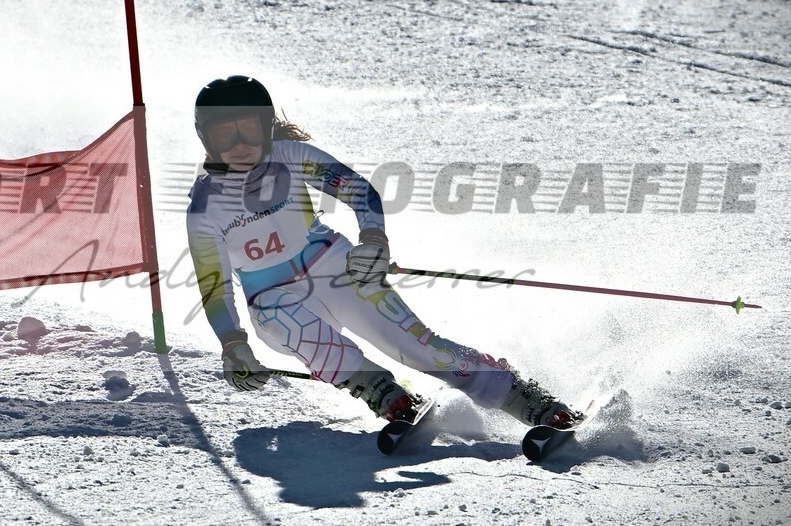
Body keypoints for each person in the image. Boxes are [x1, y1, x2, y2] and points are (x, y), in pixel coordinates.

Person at [186, 75, 583, 429]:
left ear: (266, 126)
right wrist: (233, 345)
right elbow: (215, 287)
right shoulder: (205, 208)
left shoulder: (290, 156)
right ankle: (383, 393)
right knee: (297, 328)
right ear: (206, 139)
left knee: (418, 348)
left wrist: (374, 241)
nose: (239, 145)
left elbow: (358, 190)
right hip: (272, 299)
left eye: (249, 130)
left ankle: (522, 397)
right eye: (225, 136)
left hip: (331, 265)